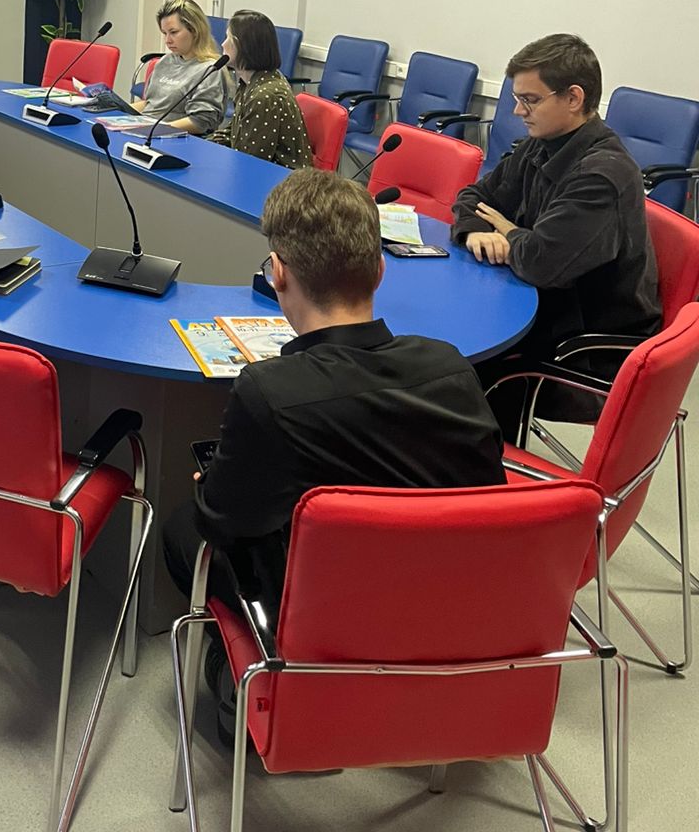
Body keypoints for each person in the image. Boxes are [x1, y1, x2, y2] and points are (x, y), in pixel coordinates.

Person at [163, 170, 505, 626]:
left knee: (182, 529)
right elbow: (487, 495)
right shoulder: (453, 366)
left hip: (330, 620)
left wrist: (210, 486)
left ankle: (231, 659)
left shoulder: (269, 391)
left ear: (278, 273)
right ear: (379, 272)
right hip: (453, 608)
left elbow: (223, 522)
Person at [451, 32, 659, 435]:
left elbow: (539, 263)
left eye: (529, 100)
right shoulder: (544, 142)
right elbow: (473, 196)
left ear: (574, 98)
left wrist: (510, 231)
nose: (517, 111)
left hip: (583, 352)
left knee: (446, 371)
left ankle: (479, 465)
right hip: (544, 310)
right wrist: (476, 231)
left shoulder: (601, 175)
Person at [210, 9, 312, 169]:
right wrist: (204, 146)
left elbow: (250, 162)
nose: (223, 44)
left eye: (228, 38)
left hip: (282, 181)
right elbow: (234, 134)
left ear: (243, 46)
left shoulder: (264, 96)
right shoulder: (250, 82)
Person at [133, 0, 228, 135]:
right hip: (147, 130)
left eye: (173, 32)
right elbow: (150, 104)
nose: (167, 40)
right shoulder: (165, 61)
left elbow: (201, 121)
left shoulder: (210, 70)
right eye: (164, 33)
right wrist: (116, 114)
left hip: (174, 137)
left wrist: (154, 131)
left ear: (195, 30)